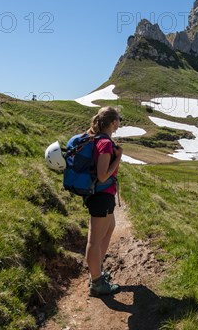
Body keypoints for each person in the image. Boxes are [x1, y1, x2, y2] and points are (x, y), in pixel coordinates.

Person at [85, 106, 123, 297]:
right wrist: (118, 158)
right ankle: (96, 282)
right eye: (119, 120)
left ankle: (96, 272)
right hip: (101, 194)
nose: (119, 124)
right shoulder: (105, 143)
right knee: (94, 239)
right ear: (113, 122)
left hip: (100, 195)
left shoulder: (99, 139)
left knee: (109, 227)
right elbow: (102, 176)